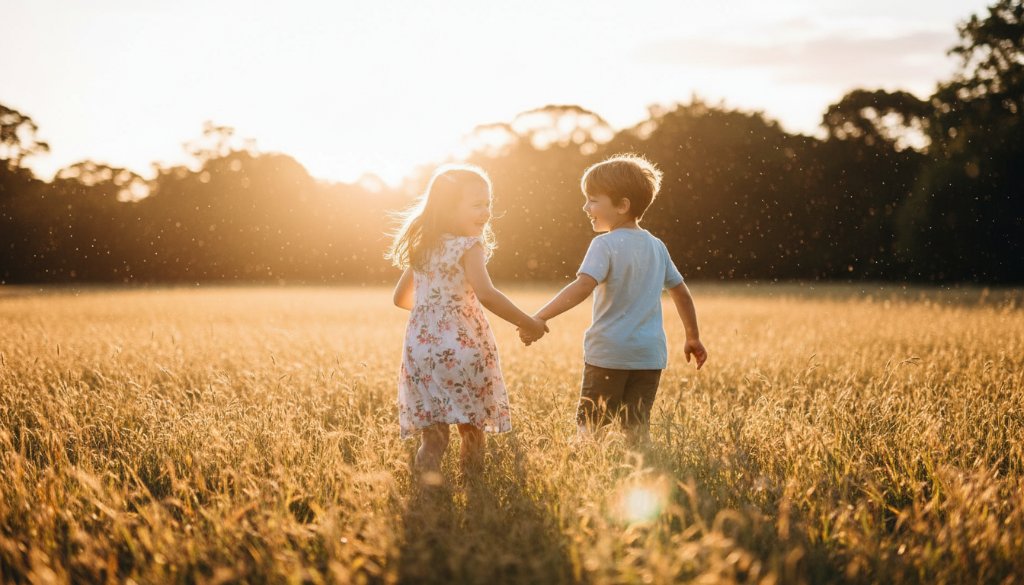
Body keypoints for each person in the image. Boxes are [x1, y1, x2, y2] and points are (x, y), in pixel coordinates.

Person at [523, 154, 708, 443]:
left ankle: (583, 471)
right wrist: (692, 336)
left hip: (609, 354)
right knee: (636, 428)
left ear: (623, 205)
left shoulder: (604, 244)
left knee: (591, 427)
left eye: (593, 200)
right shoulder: (657, 246)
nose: (586, 207)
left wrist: (540, 316)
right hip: (649, 356)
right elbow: (680, 292)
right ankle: (640, 472)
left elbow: (582, 287)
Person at [389, 164, 547, 478]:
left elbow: (399, 298)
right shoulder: (468, 246)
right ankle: (473, 490)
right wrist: (527, 321)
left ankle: (426, 493)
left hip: (421, 352)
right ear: (449, 209)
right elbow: (486, 294)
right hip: (462, 351)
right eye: (477, 204)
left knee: (433, 438)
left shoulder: (424, 248)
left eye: (488, 203)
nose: (486, 212)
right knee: (472, 428)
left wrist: (433, 314)